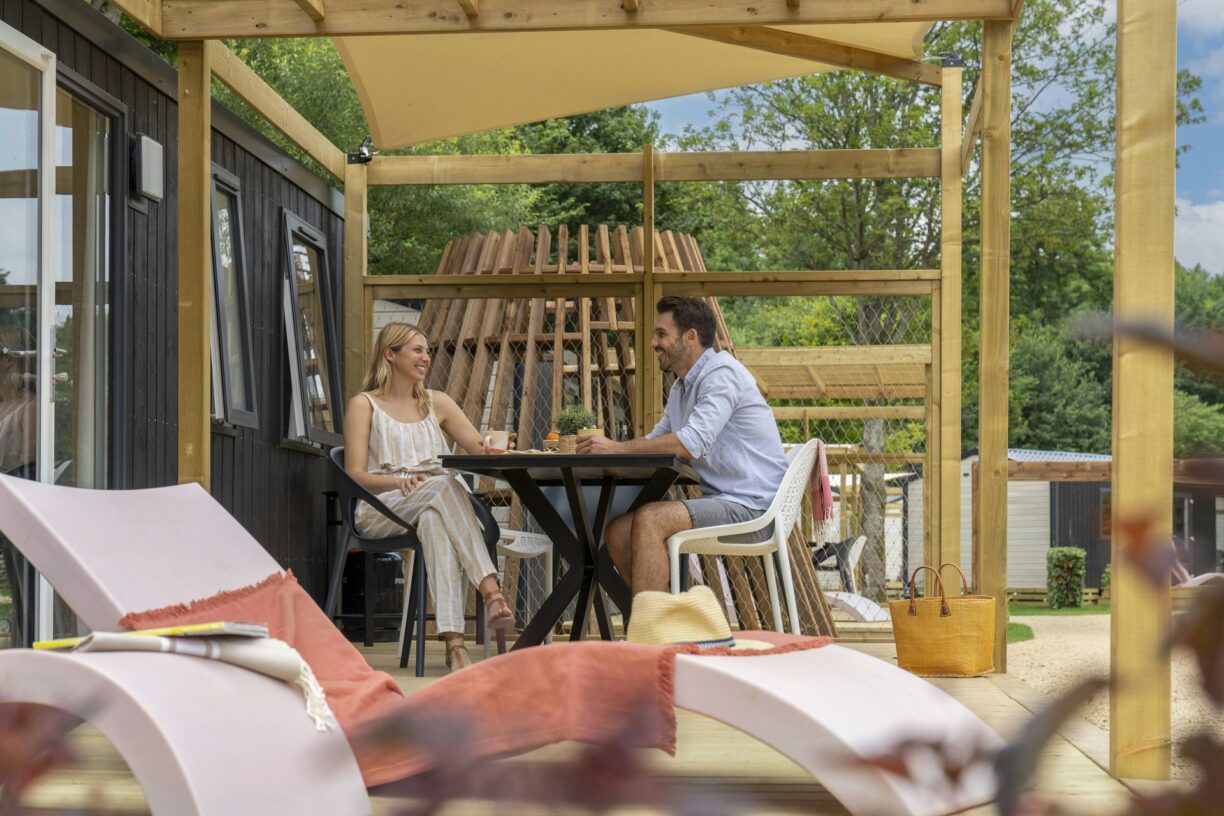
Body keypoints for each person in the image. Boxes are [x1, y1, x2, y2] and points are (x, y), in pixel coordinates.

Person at [577, 296, 788, 596]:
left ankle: (651, 623)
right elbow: (655, 442)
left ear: (690, 337)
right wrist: (605, 450)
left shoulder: (722, 374)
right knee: (618, 532)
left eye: (661, 334)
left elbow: (690, 443)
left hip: (754, 508)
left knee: (651, 518)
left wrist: (615, 449)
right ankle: (665, 616)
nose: (653, 343)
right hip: (726, 501)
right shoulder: (682, 387)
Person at [343, 322, 511, 672]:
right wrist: (397, 483)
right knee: (444, 485)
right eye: (417, 350)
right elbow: (356, 474)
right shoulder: (364, 405)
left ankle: (455, 646)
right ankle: (491, 592)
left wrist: (496, 448)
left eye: (427, 351)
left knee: (434, 518)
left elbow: (479, 450)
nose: (426, 357)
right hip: (381, 506)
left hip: (433, 501)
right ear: (390, 354)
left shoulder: (438, 403)